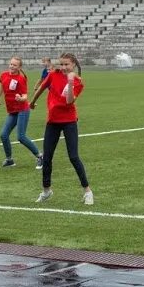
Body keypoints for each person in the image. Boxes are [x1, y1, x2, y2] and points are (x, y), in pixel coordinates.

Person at [36, 52, 93, 205]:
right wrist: (32, 101)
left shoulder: (78, 81)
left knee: (73, 156)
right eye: (61, 64)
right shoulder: (54, 74)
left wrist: (69, 82)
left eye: (66, 64)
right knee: (47, 157)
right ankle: (46, 191)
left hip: (69, 121)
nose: (63, 67)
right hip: (53, 121)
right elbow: (43, 87)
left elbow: (69, 102)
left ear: (73, 64)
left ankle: (87, 191)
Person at [0, 56, 41, 167]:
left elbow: (25, 96)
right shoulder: (4, 75)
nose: (12, 66)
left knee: (21, 136)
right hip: (12, 111)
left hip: (22, 110)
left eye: (15, 65)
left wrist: (21, 99)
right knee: (3, 135)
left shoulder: (21, 79)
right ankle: (9, 160)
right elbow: (1, 86)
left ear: (19, 67)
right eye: (11, 64)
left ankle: (40, 156)